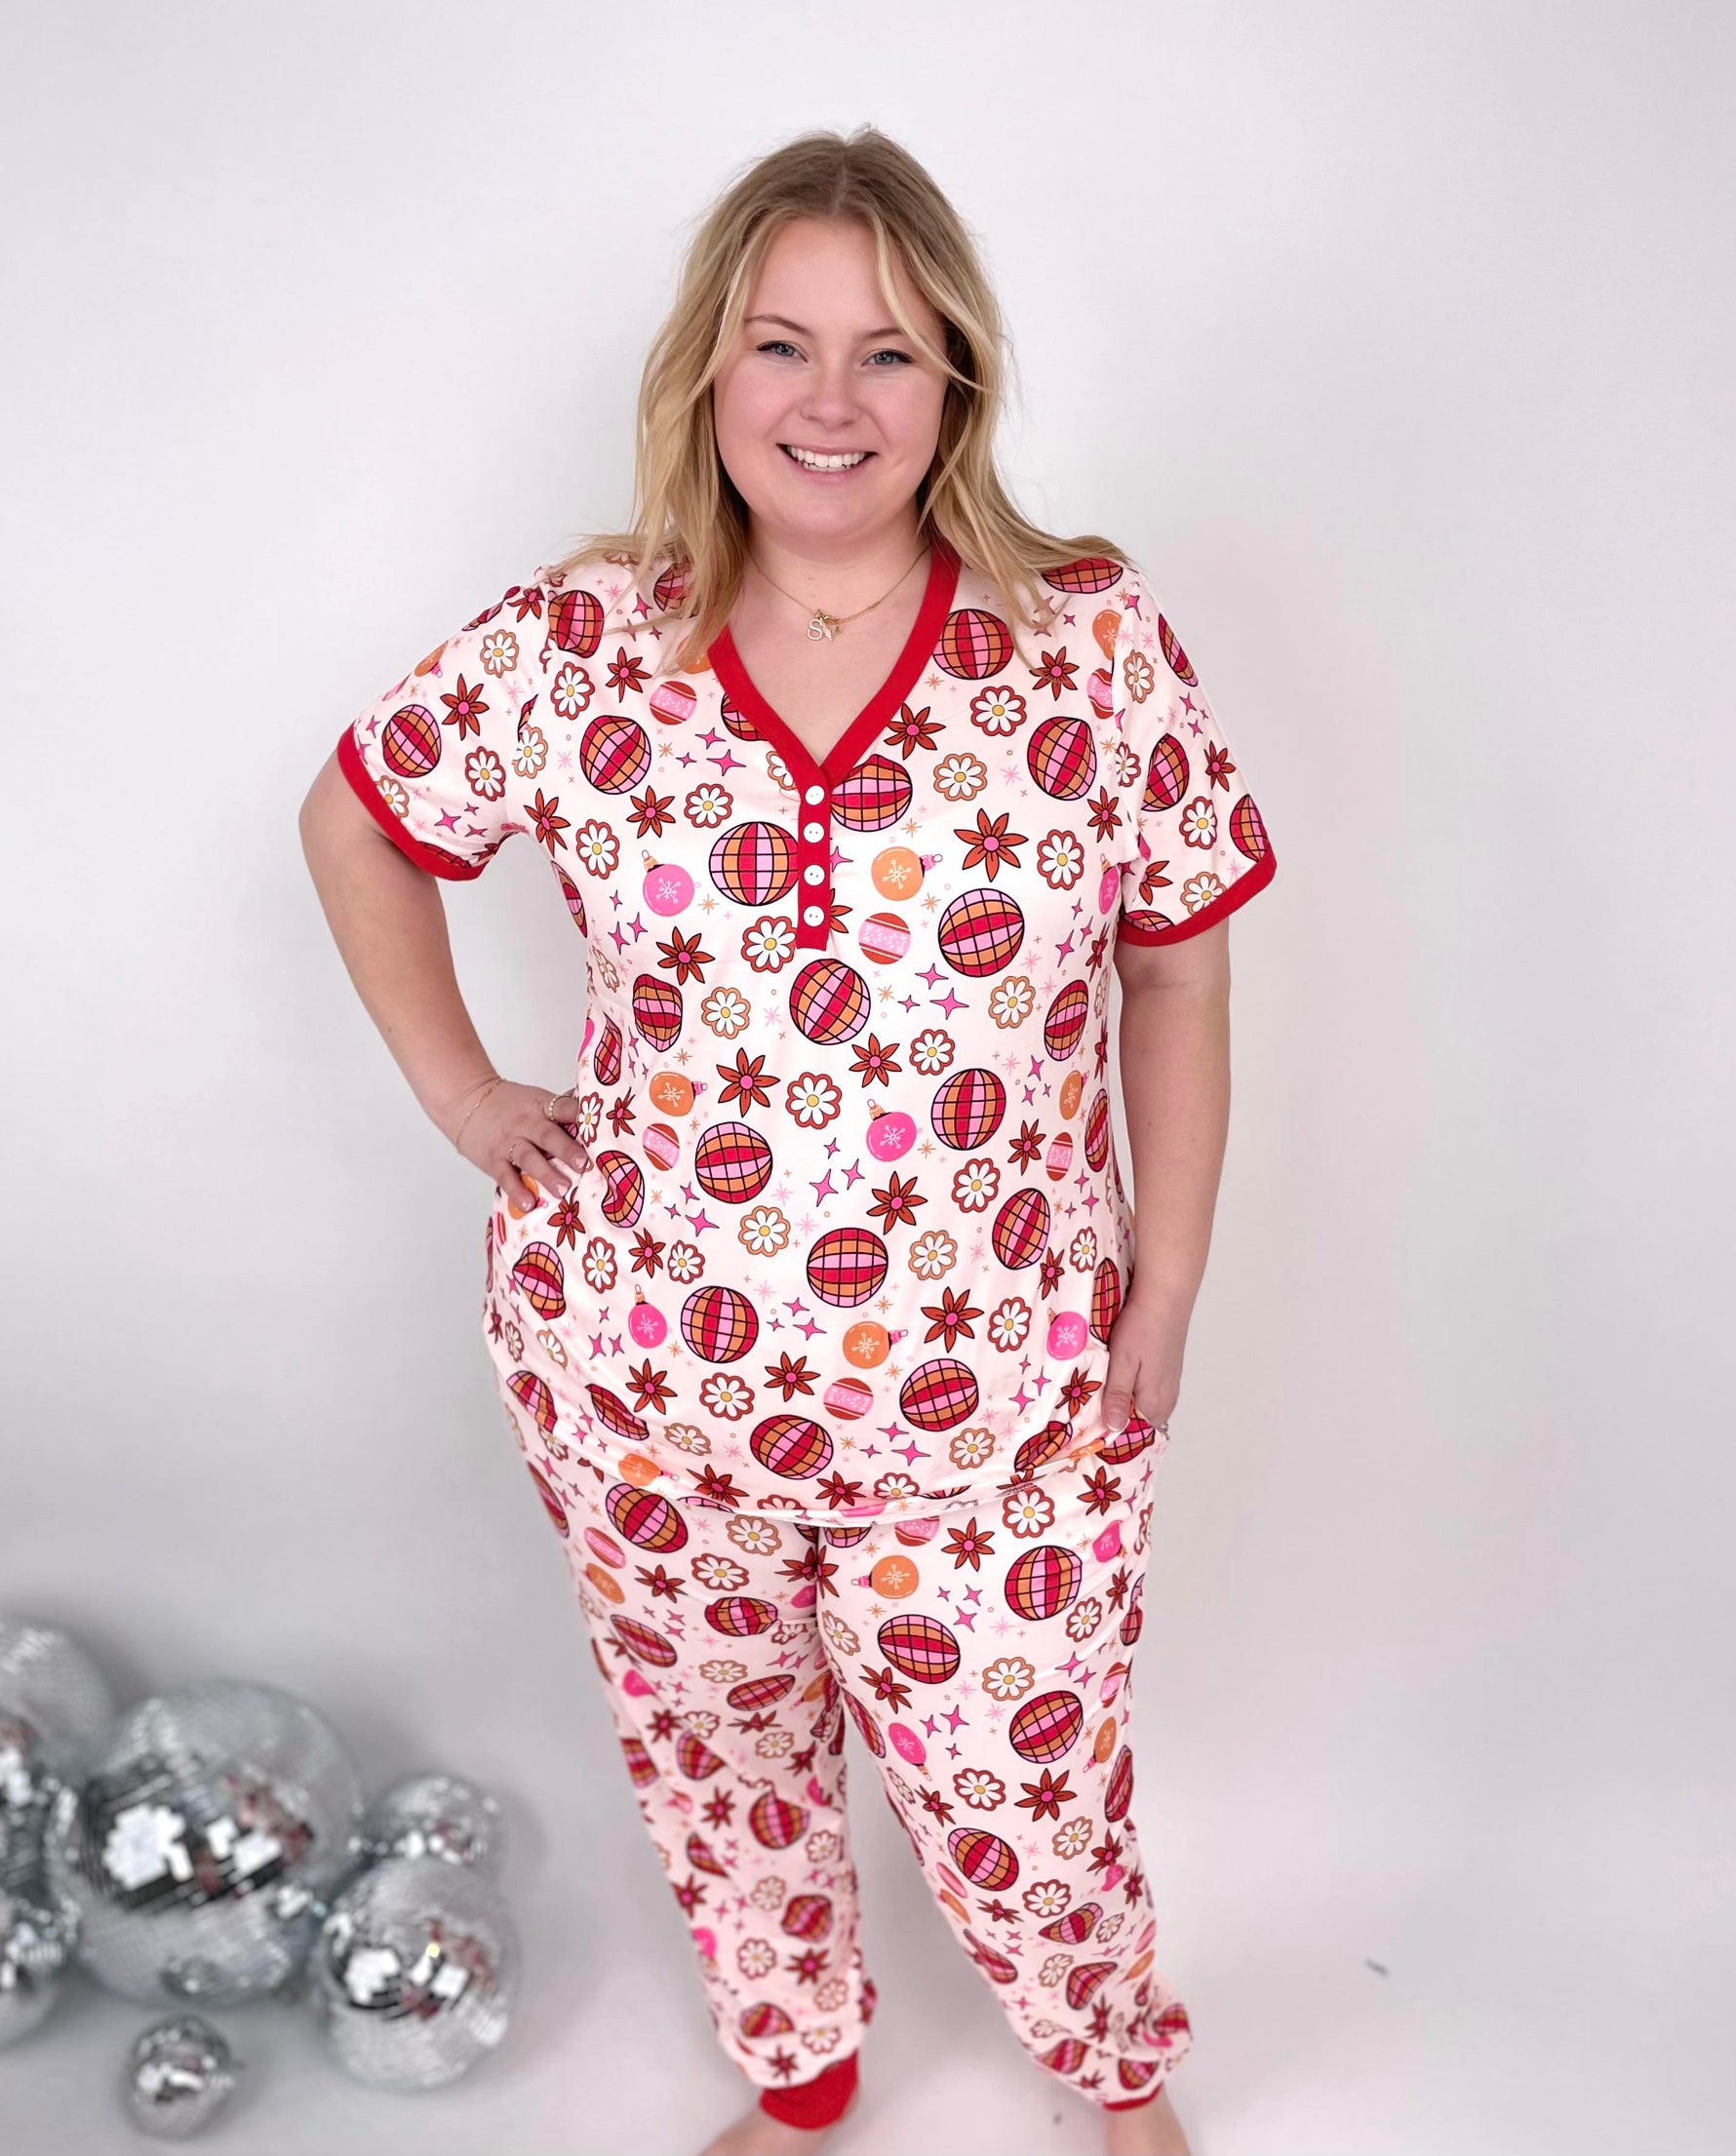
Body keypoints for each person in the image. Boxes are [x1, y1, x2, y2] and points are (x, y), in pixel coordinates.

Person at [299, 125, 1275, 2156]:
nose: (832, 399)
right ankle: (801, 2076)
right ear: (709, 370)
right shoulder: (582, 641)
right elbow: (358, 820)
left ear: (954, 383)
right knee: (716, 1762)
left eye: (888, 351)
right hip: (644, 1384)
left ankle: (1116, 2072)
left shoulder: (1084, 644)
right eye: (782, 343)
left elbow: (1175, 974)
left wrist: (1166, 1285)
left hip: (997, 1399)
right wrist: (469, 1096)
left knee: (1029, 1796)